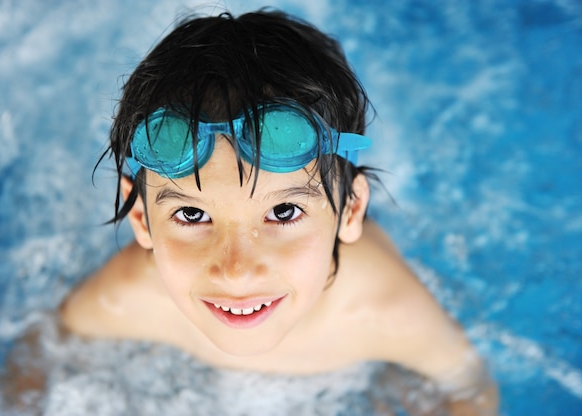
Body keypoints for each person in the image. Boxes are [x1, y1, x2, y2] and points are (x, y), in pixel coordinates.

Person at [56, 9, 497, 415]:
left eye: (283, 212)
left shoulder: (383, 311)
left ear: (351, 209)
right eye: (192, 215)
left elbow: (469, 390)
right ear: (141, 219)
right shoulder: (127, 297)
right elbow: (41, 356)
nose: (236, 271)